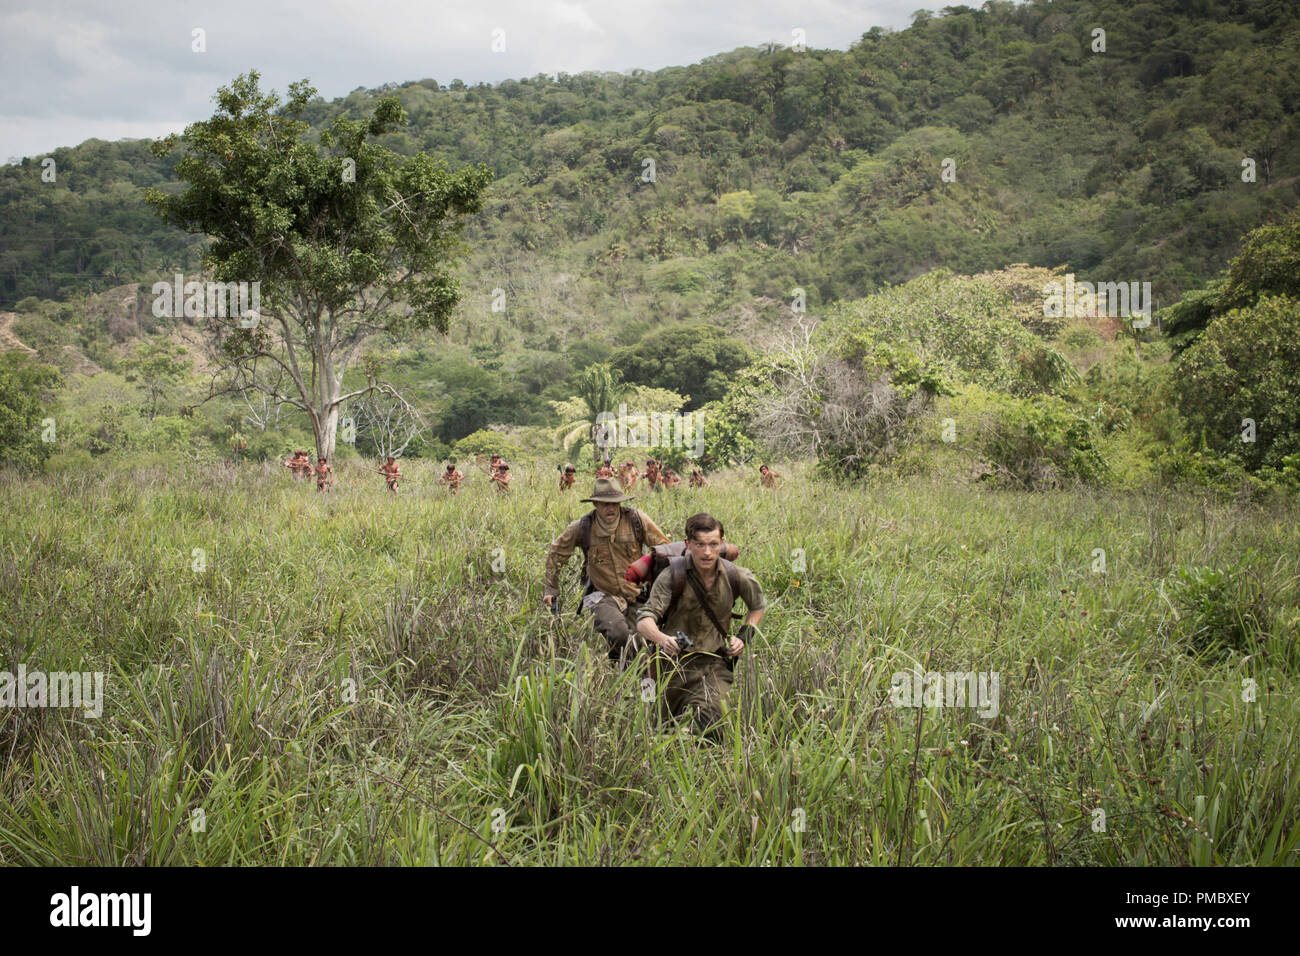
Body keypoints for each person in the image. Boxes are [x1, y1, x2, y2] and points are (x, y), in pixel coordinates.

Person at [636, 513, 765, 741]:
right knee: (658, 729)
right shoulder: (671, 576)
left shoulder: (736, 576)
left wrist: (744, 636)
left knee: (712, 722)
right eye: (700, 544)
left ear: (722, 543)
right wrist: (662, 639)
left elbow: (757, 607)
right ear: (688, 544)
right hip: (671, 665)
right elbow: (644, 621)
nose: (707, 552)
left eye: (713, 544)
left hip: (713, 663)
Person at [543, 478, 671, 666]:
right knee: (618, 632)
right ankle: (621, 670)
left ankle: (625, 673)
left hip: (636, 593)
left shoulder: (636, 520)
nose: (610, 509)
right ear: (595, 503)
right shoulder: (582, 527)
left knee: (642, 640)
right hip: (602, 594)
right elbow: (557, 554)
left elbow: (664, 549)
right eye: (605, 504)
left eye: (614, 503)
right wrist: (551, 589)